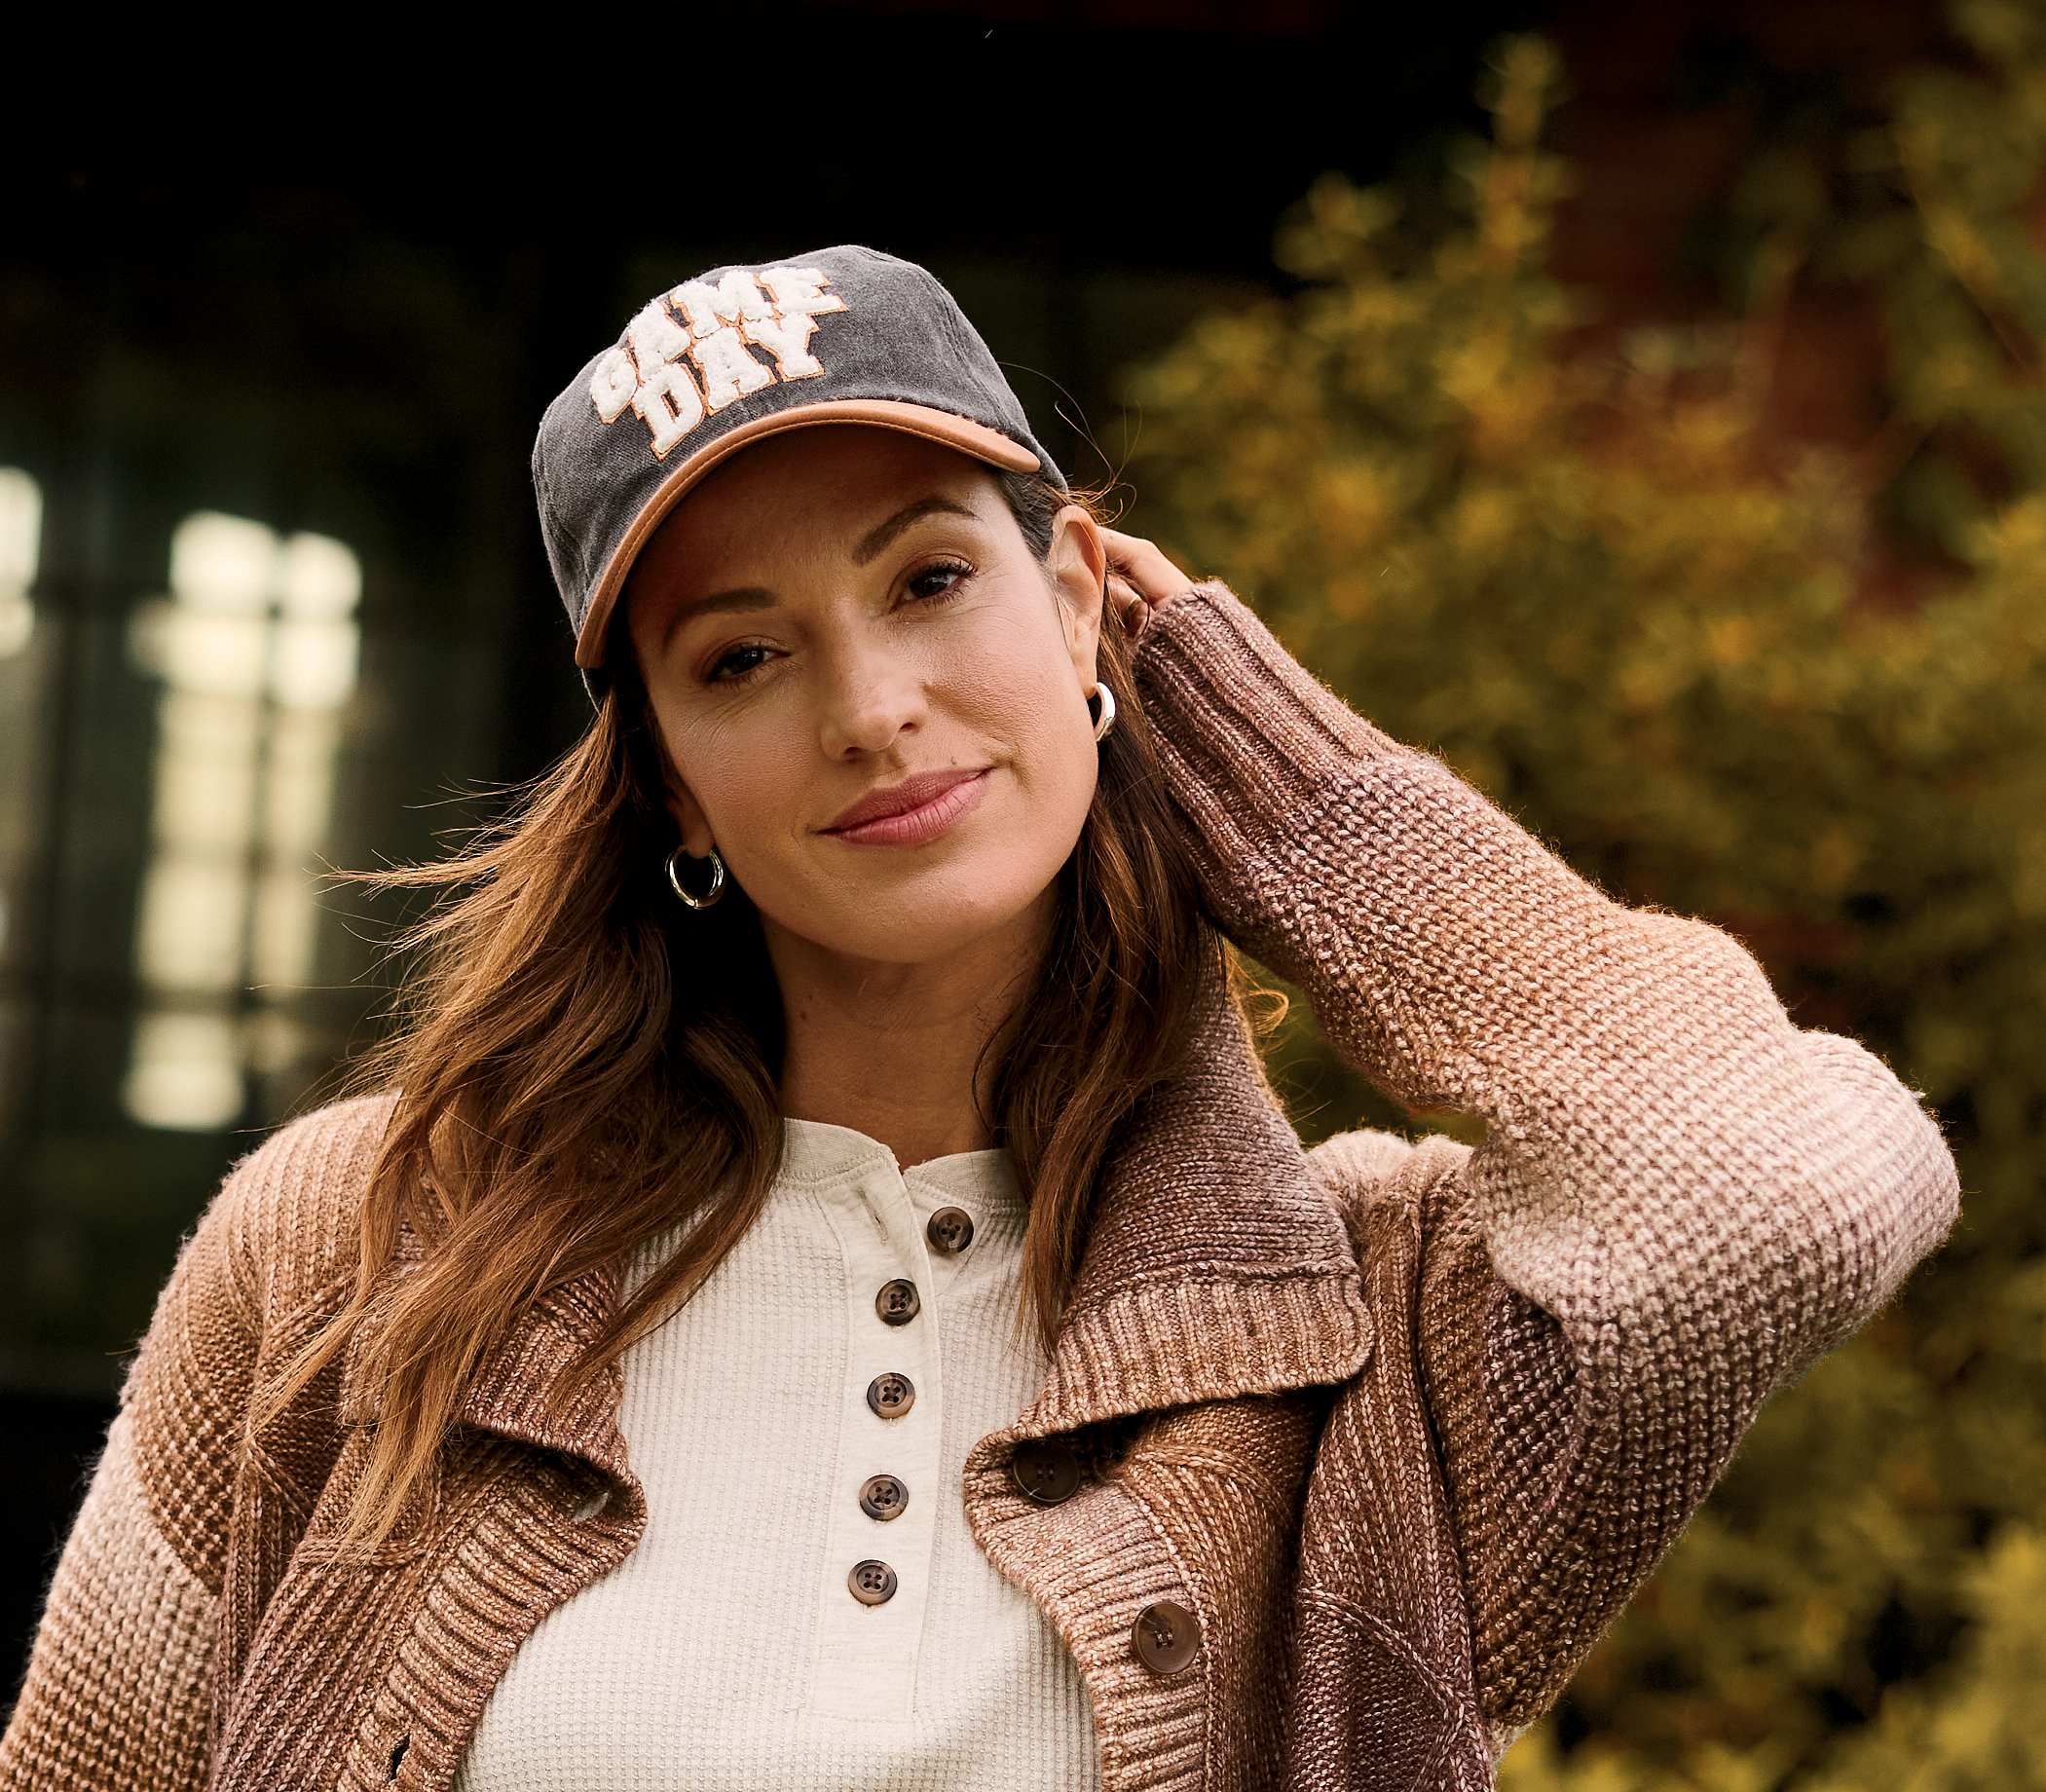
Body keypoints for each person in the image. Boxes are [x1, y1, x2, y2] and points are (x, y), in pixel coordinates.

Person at [0, 247, 1955, 1792]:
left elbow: (1779, 1182)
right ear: (672, 779)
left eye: (932, 577)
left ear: (1084, 595)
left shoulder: (1367, 1344)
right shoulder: (357, 1248)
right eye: (743, 655)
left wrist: (1271, 781)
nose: (868, 706)